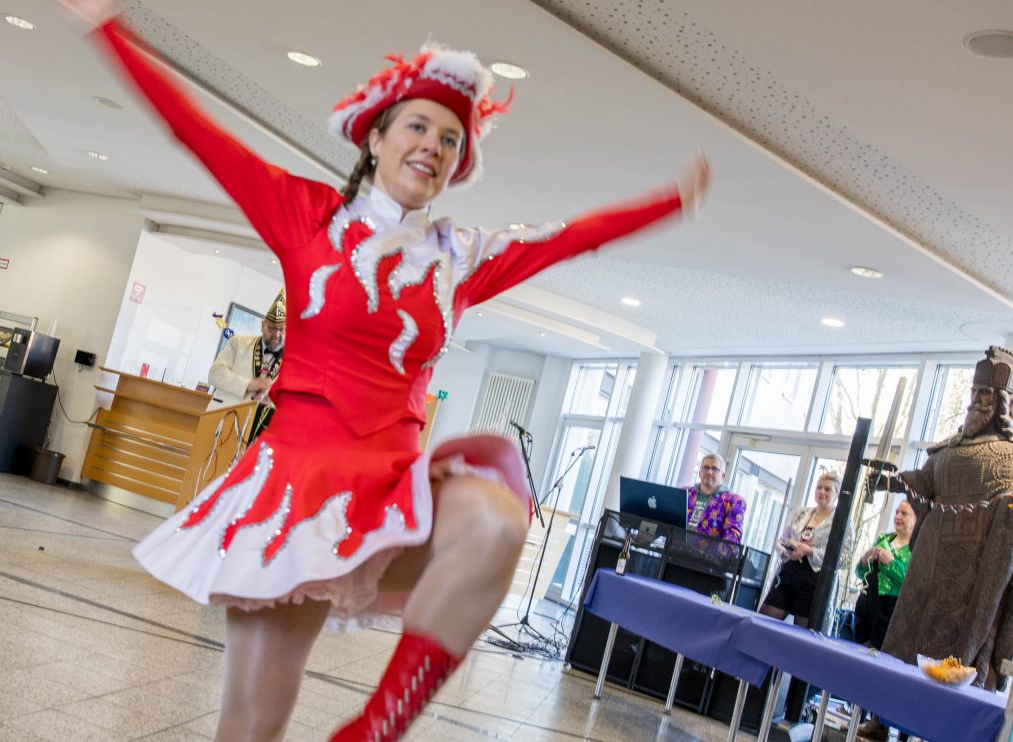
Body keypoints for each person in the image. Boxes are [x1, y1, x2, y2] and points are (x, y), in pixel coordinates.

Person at [64, 3, 709, 739]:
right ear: (374, 137)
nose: (433, 145)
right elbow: (197, 133)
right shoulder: (306, 214)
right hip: (293, 492)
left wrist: (668, 201)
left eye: (450, 137)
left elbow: (572, 240)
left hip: (392, 492)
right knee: (251, 719)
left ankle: (376, 727)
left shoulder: (462, 257)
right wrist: (108, 28)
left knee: (498, 518)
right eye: (418, 126)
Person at [872, 346, 1013, 691]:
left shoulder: (1010, 457)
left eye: (986, 394)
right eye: (974, 392)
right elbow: (922, 487)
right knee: (907, 640)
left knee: (957, 647)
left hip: (974, 572)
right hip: (929, 562)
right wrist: (888, 481)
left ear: (1002, 403)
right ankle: (880, 717)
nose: (977, 401)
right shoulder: (945, 451)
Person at [760, 472, 850, 628]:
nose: (821, 492)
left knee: (803, 634)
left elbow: (843, 559)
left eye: (827, 489)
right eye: (819, 488)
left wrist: (809, 551)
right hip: (789, 572)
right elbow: (783, 539)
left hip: (814, 579)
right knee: (763, 623)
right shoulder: (801, 512)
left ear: (836, 495)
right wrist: (785, 550)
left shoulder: (841, 521)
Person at [209, 291, 285, 441]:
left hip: (265, 436)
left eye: (282, 329)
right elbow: (215, 373)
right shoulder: (238, 343)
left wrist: (273, 395)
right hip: (225, 425)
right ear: (262, 325)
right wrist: (249, 384)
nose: (277, 335)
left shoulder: (294, 361)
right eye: (271, 328)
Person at [854, 500, 914, 649]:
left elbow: (910, 582)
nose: (898, 516)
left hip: (887, 609)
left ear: (915, 520)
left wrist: (891, 563)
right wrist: (864, 560)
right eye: (896, 512)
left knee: (873, 651)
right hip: (866, 602)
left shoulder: (915, 549)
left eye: (904, 513)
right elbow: (860, 573)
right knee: (856, 647)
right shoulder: (884, 539)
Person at [686, 453, 746, 542]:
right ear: (699, 473)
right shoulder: (686, 493)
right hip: (673, 552)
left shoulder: (734, 501)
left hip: (706, 555)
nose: (709, 472)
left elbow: (732, 539)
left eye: (715, 469)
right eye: (706, 468)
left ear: (723, 476)